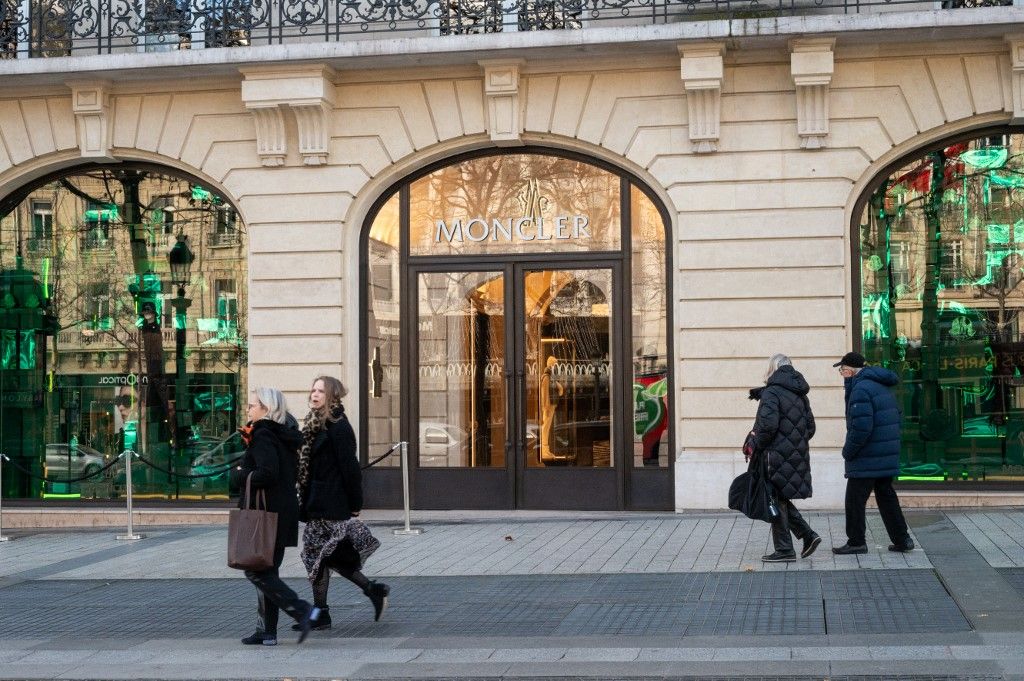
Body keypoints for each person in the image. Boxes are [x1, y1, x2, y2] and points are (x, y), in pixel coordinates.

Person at [294, 376, 389, 632]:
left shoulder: (339, 427)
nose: (314, 394)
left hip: (331, 504)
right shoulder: (313, 424)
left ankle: (325, 612)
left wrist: (356, 504)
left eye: (320, 391)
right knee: (323, 558)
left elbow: (351, 470)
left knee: (319, 557)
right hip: (315, 503)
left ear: (332, 395)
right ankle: (367, 593)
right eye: (312, 389)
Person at [231, 387, 321, 646]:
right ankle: (267, 631)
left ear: (266, 409)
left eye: (252, 405)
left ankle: (304, 611)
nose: (248, 410)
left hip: (266, 514)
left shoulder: (263, 435)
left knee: (256, 571)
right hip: (281, 512)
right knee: (268, 571)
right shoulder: (283, 435)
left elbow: (267, 473)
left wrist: (239, 475)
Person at [832, 351, 914, 555]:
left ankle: (856, 541)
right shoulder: (879, 385)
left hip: (867, 455)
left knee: (854, 500)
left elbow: (861, 427)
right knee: (887, 498)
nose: (842, 374)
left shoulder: (861, 389)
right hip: (883, 452)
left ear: (851, 370)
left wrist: (848, 452)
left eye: (842, 370)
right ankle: (902, 539)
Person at [749, 354, 821, 562]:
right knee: (778, 497)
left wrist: (758, 443)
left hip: (774, 455)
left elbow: (768, 427)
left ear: (772, 369)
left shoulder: (772, 392)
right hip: (796, 454)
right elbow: (810, 427)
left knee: (774, 498)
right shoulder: (800, 393)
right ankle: (807, 536)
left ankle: (785, 550)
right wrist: (795, 443)